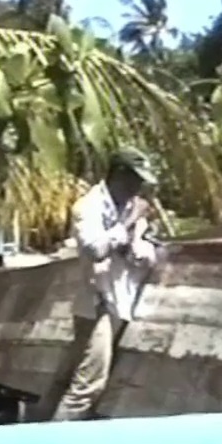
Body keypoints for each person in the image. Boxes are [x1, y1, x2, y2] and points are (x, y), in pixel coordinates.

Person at [47, 147, 161, 422]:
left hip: (122, 298)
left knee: (66, 377)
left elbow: (142, 251)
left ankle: (35, 428)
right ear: (118, 174)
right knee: (88, 385)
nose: (137, 187)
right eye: (134, 179)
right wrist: (127, 227)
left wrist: (139, 246)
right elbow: (95, 248)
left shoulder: (132, 208)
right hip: (98, 301)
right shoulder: (89, 207)